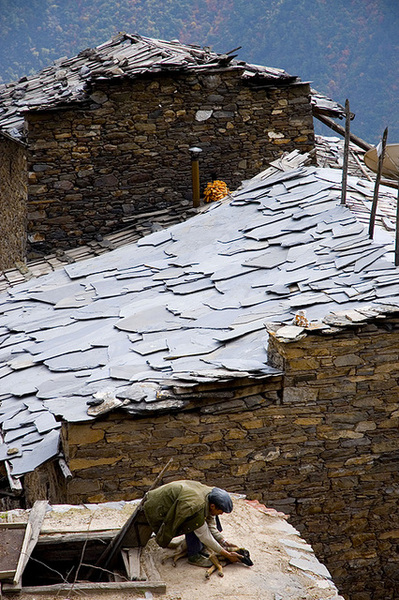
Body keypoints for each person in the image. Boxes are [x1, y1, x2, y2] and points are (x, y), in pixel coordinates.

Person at [142, 479, 242, 567]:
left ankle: (199, 547)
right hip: (156, 506)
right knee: (193, 523)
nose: (221, 514)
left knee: (199, 522)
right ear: (212, 506)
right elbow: (204, 535)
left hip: (172, 500)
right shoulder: (196, 507)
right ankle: (194, 556)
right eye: (221, 511)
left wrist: (223, 541)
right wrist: (227, 554)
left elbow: (211, 525)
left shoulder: (210, 496)